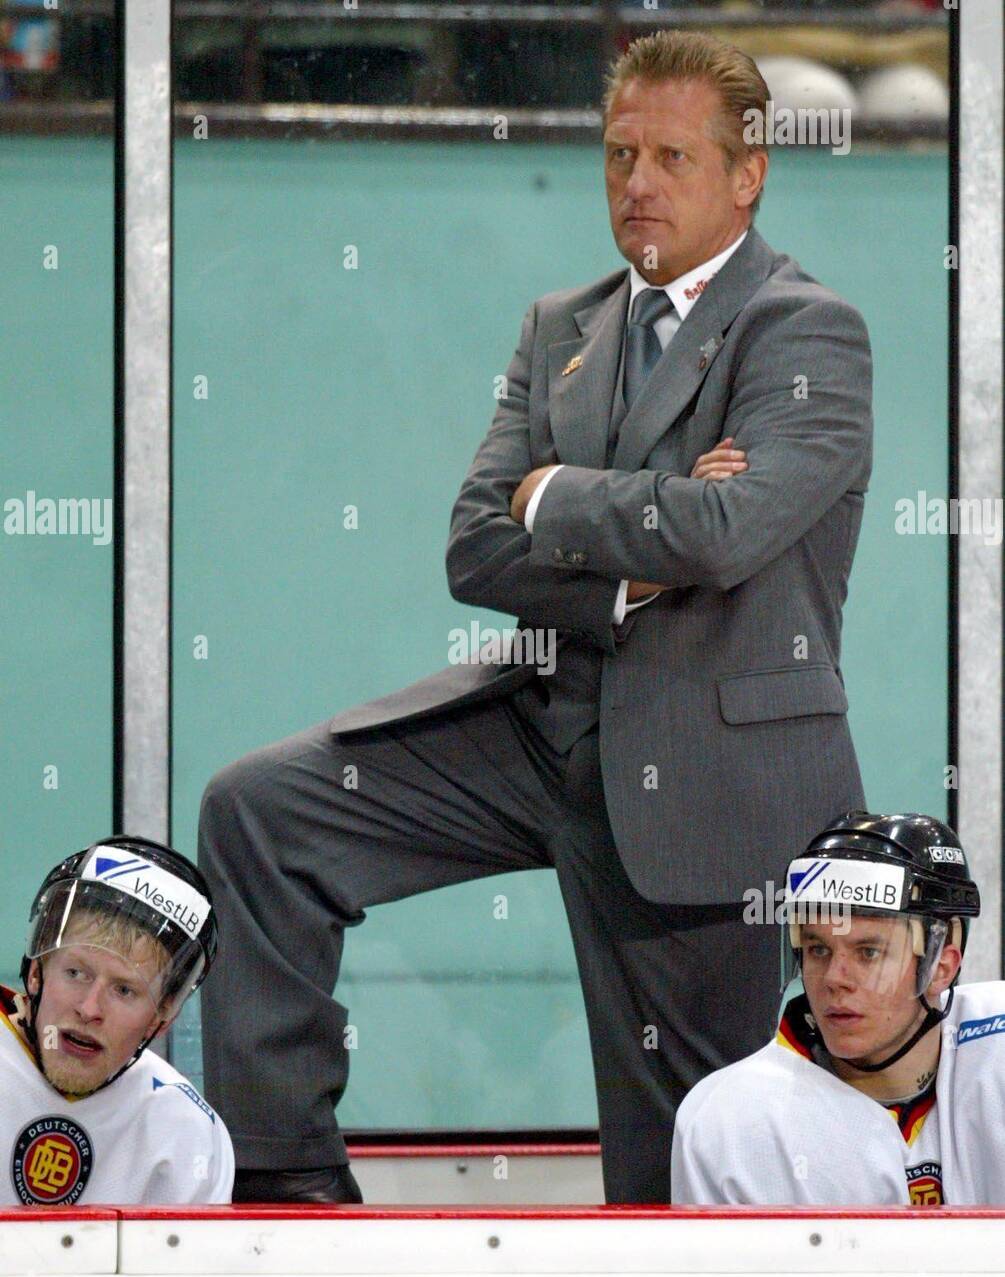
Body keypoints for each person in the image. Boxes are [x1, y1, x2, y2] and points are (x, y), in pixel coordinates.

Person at [198, 27, 872, 1205]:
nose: (636, 185)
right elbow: (475, 544)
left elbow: (727, 535)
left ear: (748, 172)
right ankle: (288, 1197)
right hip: (542, 726)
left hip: (709, 769)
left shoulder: (807, 330)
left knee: (678, 1163)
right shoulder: (561, 323)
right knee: (262, 813)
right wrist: (631, 552)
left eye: (670, 157)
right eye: (619, 156)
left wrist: (556, 495)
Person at [670, 812, 1004, 1207]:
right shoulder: (728, 1120)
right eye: (818, 949)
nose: (834, 978)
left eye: (868, 952)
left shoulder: (993, 1051)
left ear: (940, 966)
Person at [1, 836, 234, 1206]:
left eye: (125, 990)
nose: (89, 1009)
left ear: (162, 1016)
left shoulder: (185, 1131)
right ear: (36, 972)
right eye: (76, 973)